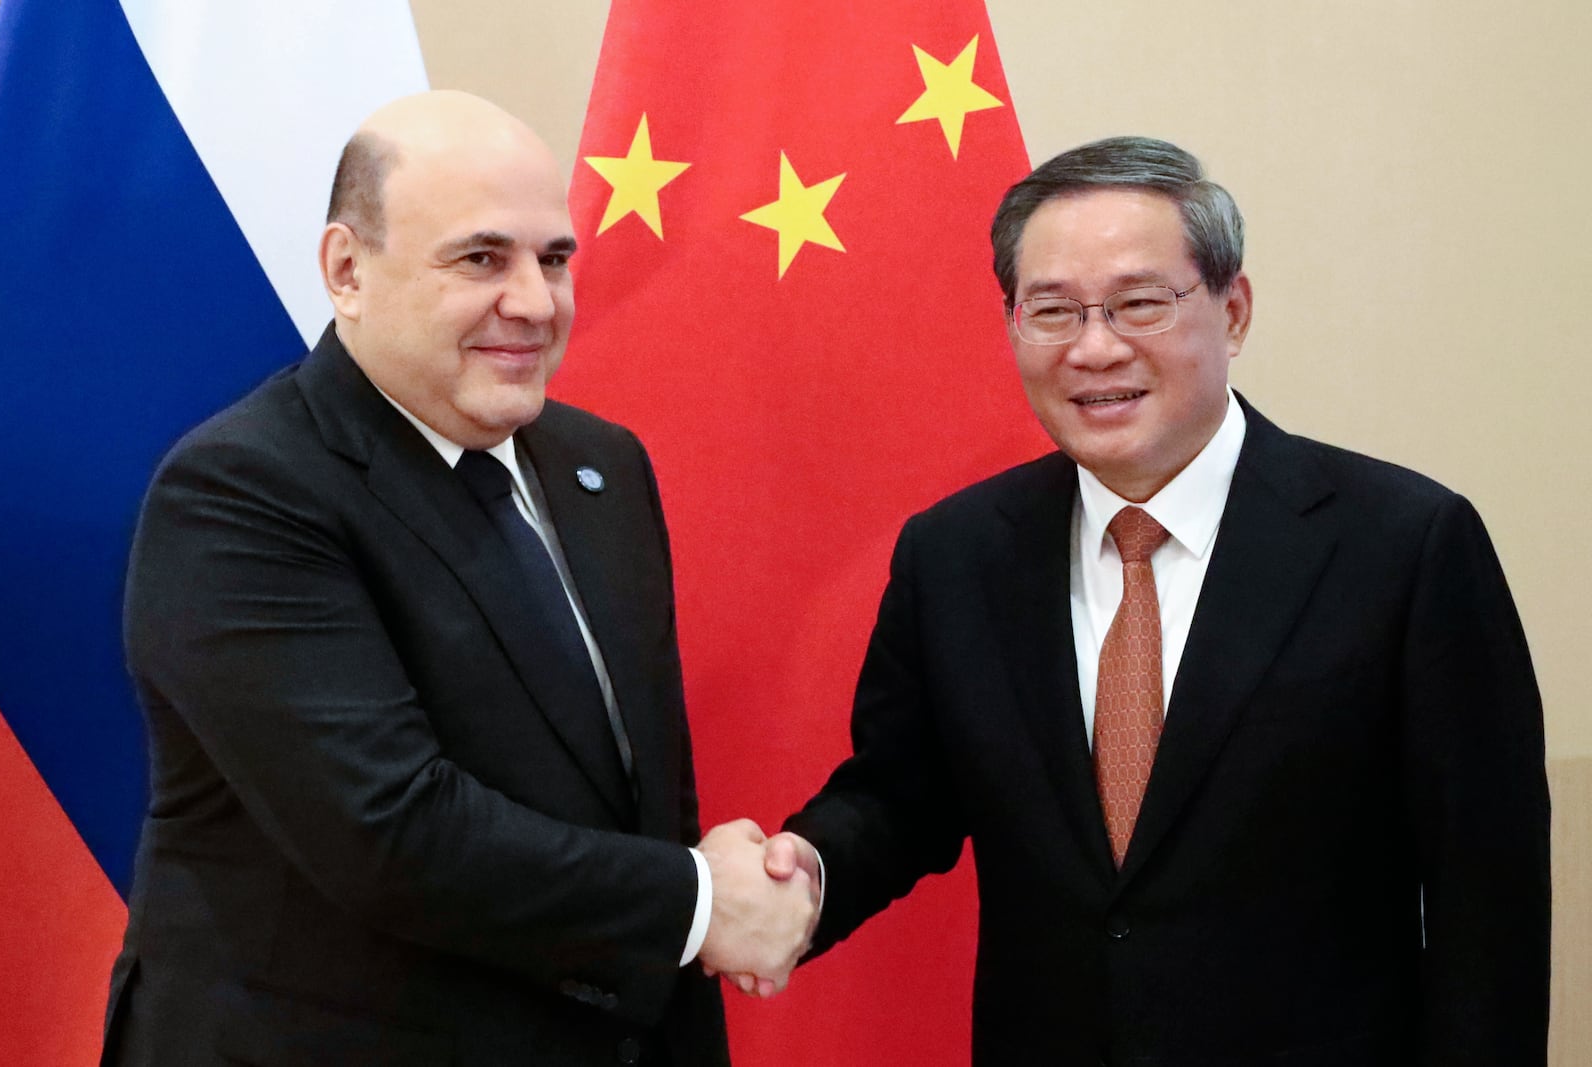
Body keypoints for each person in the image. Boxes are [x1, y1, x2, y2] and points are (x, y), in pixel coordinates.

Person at [753, 136, 1551, 1064]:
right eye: (1052, 310)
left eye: (1138, 303)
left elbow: (1486, 908)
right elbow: (898, 797)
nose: (1096, 348)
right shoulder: (956, 553)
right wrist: (801, 872)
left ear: (1234, 309)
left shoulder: (1405, 546)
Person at [101, 90, 813, 1067]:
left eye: (553, 258)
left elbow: (638, 791)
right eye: (482, 257)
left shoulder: (598, 463)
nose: (534, 300)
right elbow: (390, 832)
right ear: (347, 270)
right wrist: (699, 901)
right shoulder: (241, 490)